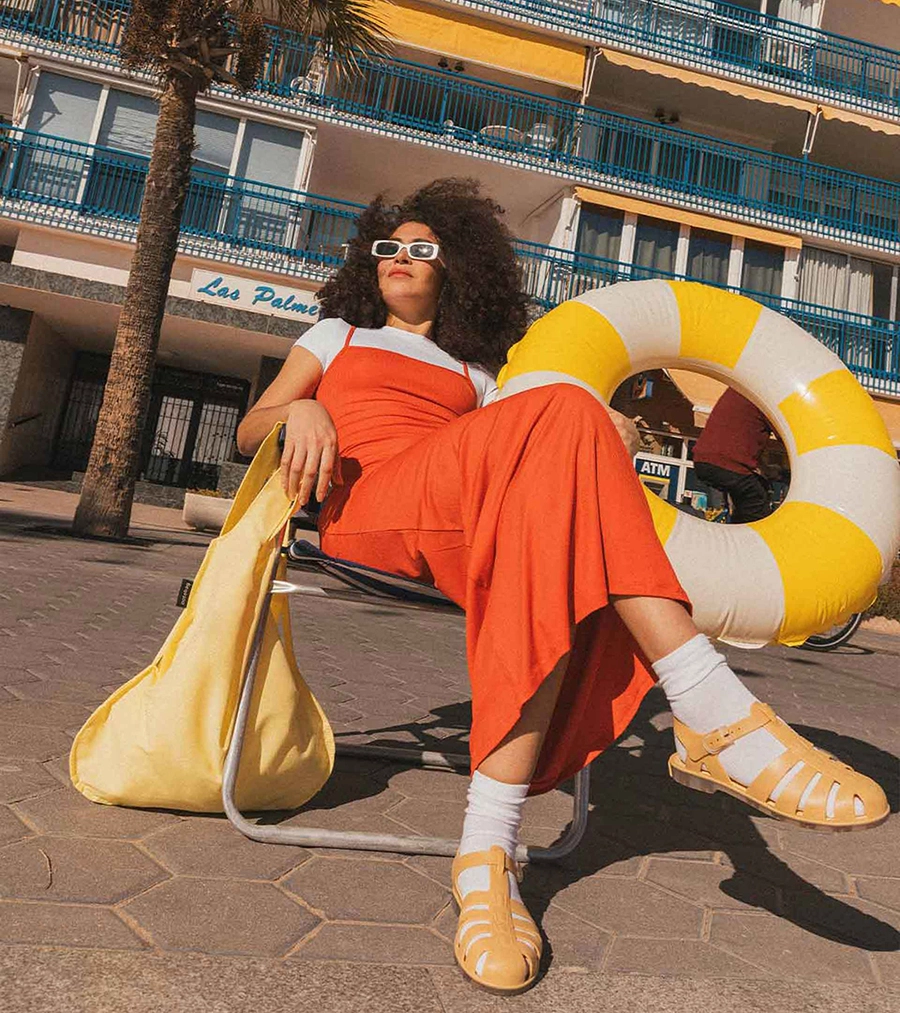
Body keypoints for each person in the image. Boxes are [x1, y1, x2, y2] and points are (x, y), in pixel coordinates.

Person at [236, 179, 887, 995]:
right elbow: (251, 428)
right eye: (388, 247)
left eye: (421, 249)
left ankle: (489, 852)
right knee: (569, 415)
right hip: (368, 509)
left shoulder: (477, 374)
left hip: (464, 524)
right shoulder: (338, 336)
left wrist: (599, 432)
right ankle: (710, 711)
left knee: (554, 520)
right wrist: (300, 413)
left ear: (454, 267)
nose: (400, 258)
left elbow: (511, 457)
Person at [692, 388, 773, 523]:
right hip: (728, 465)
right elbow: (791, 434)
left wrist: (765, 468)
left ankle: (734, 527)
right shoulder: (769, 395)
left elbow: (741, 440)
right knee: (756, 502)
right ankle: (748, 534)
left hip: (702, 460)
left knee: (746, 497)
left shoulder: (742, 389)